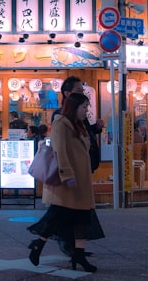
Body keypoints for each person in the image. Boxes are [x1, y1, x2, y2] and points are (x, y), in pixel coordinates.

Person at [26, 92, 104, 273]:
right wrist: (67, 175)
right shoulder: (61, 123)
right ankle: (39, 245)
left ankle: (78, 254)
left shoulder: (79, 125)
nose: (86, 110)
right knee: (58, 215)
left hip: (81, 180)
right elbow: (59, 150)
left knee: (82, 217)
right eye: (84, 107)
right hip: (67, 180)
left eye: (87, 107)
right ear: (74, 107)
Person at [52, 76, 102, 257]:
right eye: (79, 91)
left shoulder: (79, 113)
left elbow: (83, 136)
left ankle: (76, 248)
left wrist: (96, 128)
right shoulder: (61, 116)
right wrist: (67, 173)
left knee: (76, 210)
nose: (83, 94)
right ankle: (67, 245)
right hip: (72, 171)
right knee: (69, 210)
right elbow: (61, 147)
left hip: (83, 167)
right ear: (67, 94)